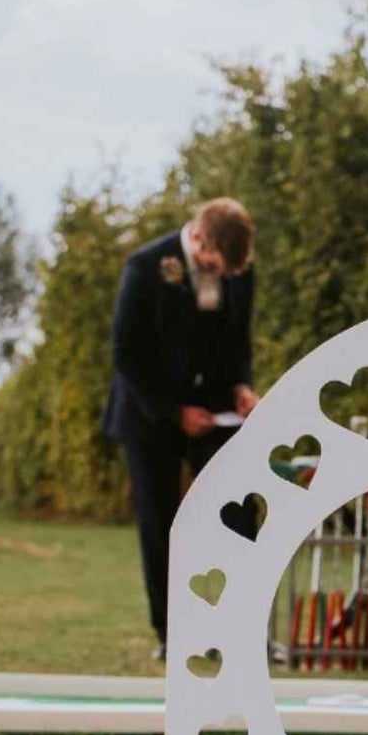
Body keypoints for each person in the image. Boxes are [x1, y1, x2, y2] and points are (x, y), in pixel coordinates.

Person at [101, 198, 257, 659]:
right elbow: (126, 352)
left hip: (214, 410)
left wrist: (242, 387)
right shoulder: (147, 265)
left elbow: (238, 338)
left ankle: (236, 626)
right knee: (159, 521)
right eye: (217, 267)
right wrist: (174, 411)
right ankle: (173, 636)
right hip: (150, 412)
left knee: (239, 510)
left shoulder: (240, 268)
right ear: (198, 240)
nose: (226, 276)